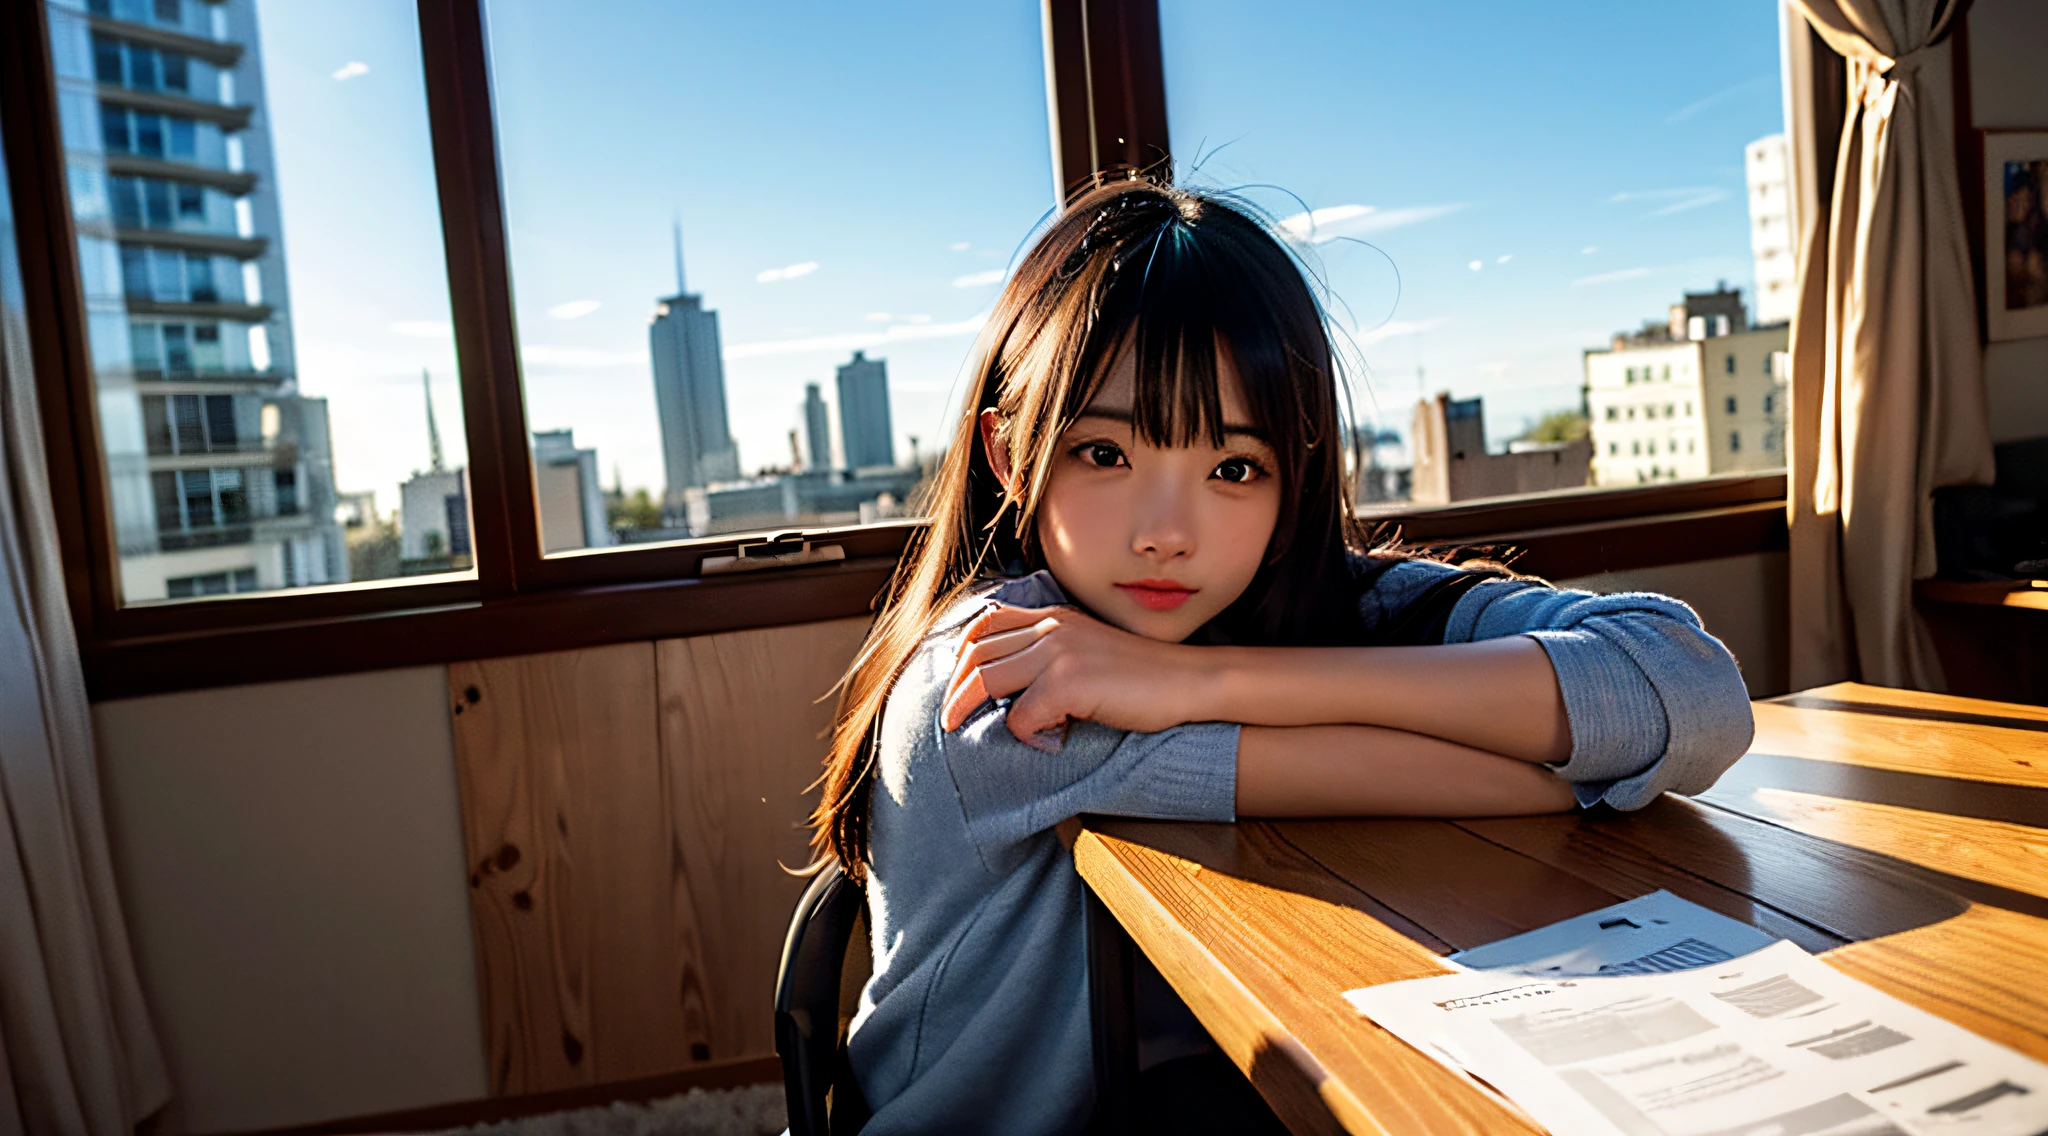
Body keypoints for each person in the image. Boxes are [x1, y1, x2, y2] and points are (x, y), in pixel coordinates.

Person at [804, 176, 1754, 1135]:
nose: (1168, 533)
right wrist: (1563, 763)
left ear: (1290, 481)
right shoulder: (1003, 670)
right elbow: (1510, 781)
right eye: (1106, 454)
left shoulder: (1300, 599)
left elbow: (1693, 690)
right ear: (1012, 456)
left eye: (1232, 469)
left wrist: (1206, 680)